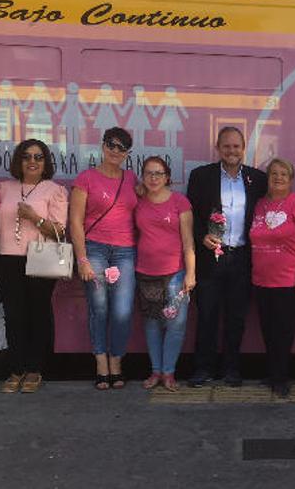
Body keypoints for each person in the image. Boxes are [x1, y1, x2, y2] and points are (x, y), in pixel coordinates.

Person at [186, 127, 267, 387]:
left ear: (244, 148)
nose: (232, 151)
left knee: (236, 318)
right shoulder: (201, 176)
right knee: (207, 315)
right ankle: (203, 368)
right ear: (218, 148)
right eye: (226, 146)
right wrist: (202, 237)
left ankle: (232, 369)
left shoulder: (258, 179)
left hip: (242, 258)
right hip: (211, 258)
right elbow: (192, 217)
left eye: (236, 146)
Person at [0, 139, 68, 393]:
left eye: (38, 157)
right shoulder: (4, 188)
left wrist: (35, 218)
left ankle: (35, 369)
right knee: (14, 315)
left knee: (38, 313)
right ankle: (16, 369)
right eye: (27, 156)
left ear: (46, 162)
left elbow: (59, 231)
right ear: (19, 160)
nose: (32, 161)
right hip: (7, 257)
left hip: (41, 255)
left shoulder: (54, 190)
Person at [69, 127, 138, 390]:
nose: (115, 151)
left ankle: (116, 360)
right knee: (99, 309)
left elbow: (148, 202)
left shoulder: (132, 179)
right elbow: (75, 221)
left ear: (127, 153)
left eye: (122, 148)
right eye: (112, 144)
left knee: (122, 311)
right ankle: (101, 362)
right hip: (95, 249)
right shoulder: (86, 178)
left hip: (125, 251)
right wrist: (82, 258)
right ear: (103, 145)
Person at [249, 158, 295, 398]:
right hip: (260, 280)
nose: (278, 178)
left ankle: (281, 377)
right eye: (274, 174)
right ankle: (272, 372)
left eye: (283, 174)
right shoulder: (258, 205)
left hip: (287, 281)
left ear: (291, 179)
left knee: (284, 332)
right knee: (267, 331)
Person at [135, 156, 196, 392]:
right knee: (151, 324)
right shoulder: (137, 201)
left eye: (158, 173)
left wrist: (191, 274)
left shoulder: (180, 202)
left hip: (175, 273)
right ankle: (156, 371)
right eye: (149, 173)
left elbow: (188, 241)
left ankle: (169, 372)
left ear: (167, 176)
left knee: (175, 325)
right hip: (145, 272)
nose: (153, 178)